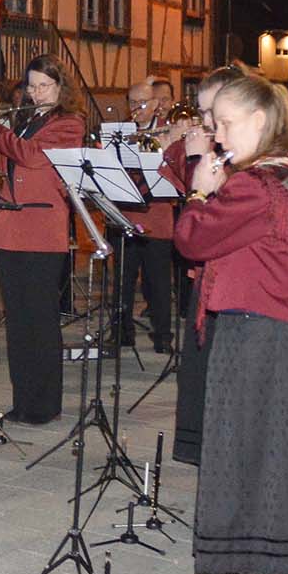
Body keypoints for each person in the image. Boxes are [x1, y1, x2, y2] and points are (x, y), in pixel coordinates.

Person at [174, 70, 288, 574]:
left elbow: (192, 240)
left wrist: (198, 189)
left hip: (256, 340)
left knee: (250, 469)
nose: (216, 136)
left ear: (262, 122)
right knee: (264, 466)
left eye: (224, 124)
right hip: (282, 335)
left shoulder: (252, 187)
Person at [0, 55, 86, 425]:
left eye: (44, 86)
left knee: (41, 322)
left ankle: (45, 405)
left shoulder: (70, 123)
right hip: (12, 231)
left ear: (61, 87)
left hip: (42, 233)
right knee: (17, 323)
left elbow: (32, 158)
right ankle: (23, 402)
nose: (35, 93)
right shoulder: (29, 120)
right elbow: (3, 164)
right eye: (31, 86)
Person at [168, 66, 246, 464]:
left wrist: (200, 172)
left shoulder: (245, 159)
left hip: (231, 279)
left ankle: (219, 448)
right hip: (207, 272)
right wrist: (187, 151)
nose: (203, 122)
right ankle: (198, 444)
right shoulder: (217, 148)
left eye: (209, 114)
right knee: (198, 363)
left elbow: (210, 220)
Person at [115, 80, 180, 365]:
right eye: (131, 103)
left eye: (142, 103)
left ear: (155, 103)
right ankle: (122, 330)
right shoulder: (122, 131)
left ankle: (163, 334)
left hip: (157, 215)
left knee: (158, 280)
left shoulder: (169, 129)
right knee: (122, 277)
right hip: (126, 213)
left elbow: (177, 173)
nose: (136, 109)